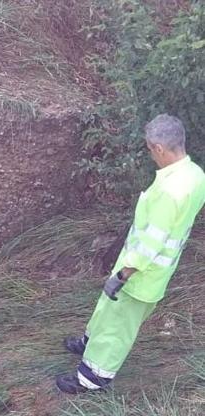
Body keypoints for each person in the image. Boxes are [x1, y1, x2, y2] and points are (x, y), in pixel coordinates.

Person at [56, 114, 205, 394]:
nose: (151, 156)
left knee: (117, 328)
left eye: (150, 150)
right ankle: (89, 343)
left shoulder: (170, 191)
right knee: (107, 310)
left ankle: (93, 379)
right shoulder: (195, 175)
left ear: (159, 148)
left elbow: (152, 242)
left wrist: (124, 274)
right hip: (145, 267)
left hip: (141, 275)